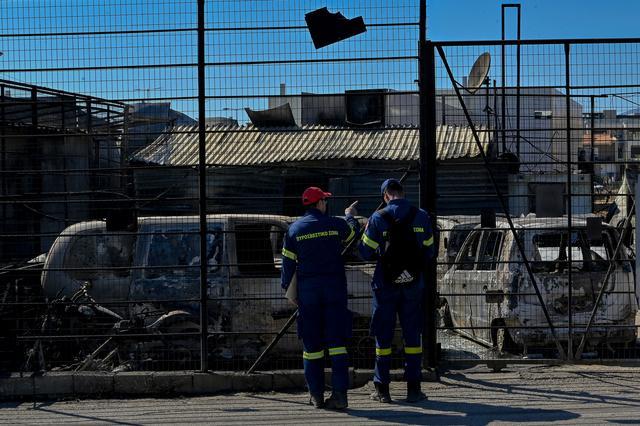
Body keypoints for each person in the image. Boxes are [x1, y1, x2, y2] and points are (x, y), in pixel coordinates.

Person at [281, 186, 360, 410]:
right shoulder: (335, 224)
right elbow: (353, 232)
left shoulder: (294, 230)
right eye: (325, 200)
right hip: (335, 290)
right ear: (320, 204)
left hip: (308, 293)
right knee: (337, 346)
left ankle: (315, 395)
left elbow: (287, 266)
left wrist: (289, 291)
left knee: (312, 347)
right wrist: (349, 215)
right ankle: (340, 396)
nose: (326, 203)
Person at [359, 178, 436, 403]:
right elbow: (430, 252)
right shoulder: (421, 216)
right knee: (413, 337)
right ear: (402, 193)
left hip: (385, 285)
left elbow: (364, 252)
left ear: (385, 196)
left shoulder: (378, 218)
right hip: (413, 285)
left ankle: (382, 390)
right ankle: (414, 389)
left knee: (383, 339)